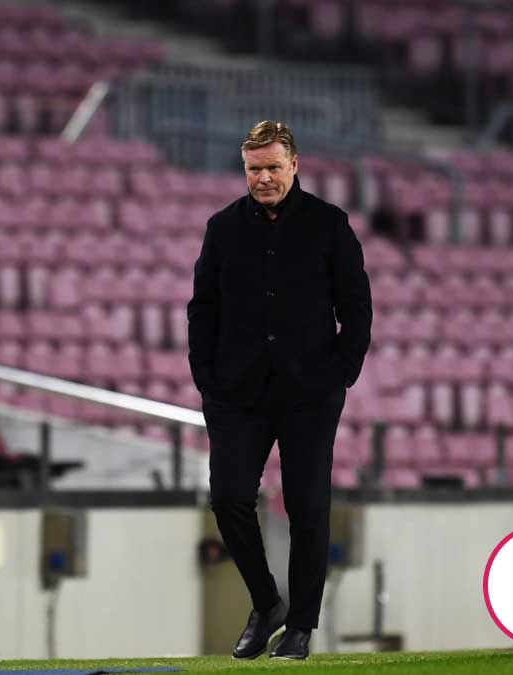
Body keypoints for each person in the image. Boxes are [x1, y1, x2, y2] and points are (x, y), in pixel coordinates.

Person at [186, 121, 372, 660]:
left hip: (309, 392)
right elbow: (202, 308)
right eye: (253, 169)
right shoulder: (221, 228)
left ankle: (300, 627)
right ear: (243, 169)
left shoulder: (328, 225)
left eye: (272, 167)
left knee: (308, 508)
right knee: (227, 498)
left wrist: (342, 371)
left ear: (294, 164)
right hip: (236, 393)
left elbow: (356, 306)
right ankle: (267, 603)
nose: (263, 177)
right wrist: (206, 377)